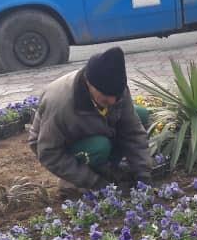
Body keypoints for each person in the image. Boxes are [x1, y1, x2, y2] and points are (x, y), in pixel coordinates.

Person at [28, 46, 152, 200]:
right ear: (89, 83)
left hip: (95, 129)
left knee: (141, 114)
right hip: (62, 145)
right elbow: (49, 153)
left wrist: (143, 174)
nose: (112, 101)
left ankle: (108, 169)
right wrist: (96, 182)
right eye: (105, 96)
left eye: (116, 96)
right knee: (99, 146)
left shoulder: (116, 90)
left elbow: (133, 131)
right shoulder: (61, 103)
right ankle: (72, 182)